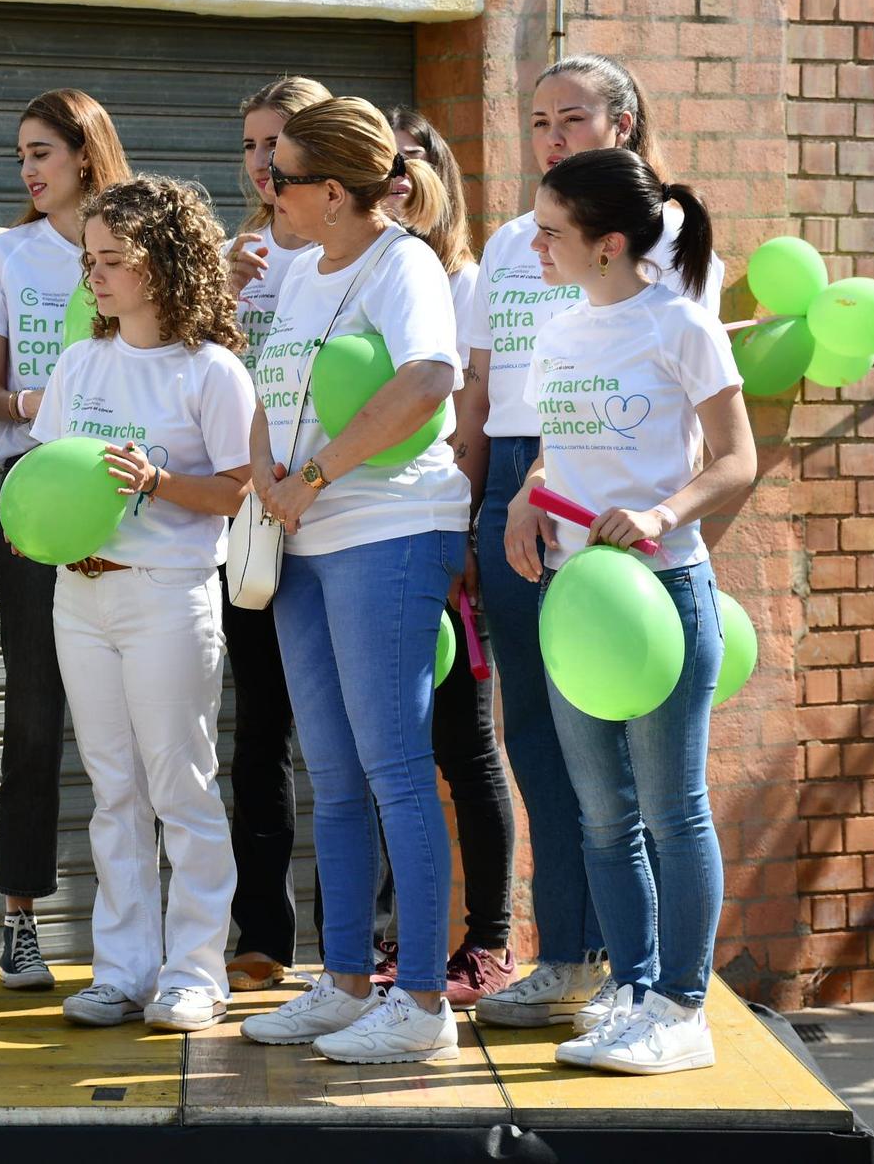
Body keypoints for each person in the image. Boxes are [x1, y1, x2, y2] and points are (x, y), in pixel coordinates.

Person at [456, 52, 724, 1031]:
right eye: (535, 121)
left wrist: (665, 519)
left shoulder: (674, 270)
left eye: (568, 118)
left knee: (658, 791)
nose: (549, 135)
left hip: (641, 543)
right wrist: (510, 493)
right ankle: (594, 970)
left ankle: (663, 993)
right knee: (563, 764)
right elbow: (501, 401)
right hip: (544, 520)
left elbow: (711, 440)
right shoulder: (534, 284)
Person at [506, 148, 754, 1074]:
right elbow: (554, 453)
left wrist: (661, 512)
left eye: (550, 231)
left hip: (660, 594)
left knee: (670, 807)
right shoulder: (562, 331)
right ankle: (633, 988)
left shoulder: (683, 325)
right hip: (577, 600)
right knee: (602, 815)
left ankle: (682, 1007)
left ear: (608, 244)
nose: (534, 244)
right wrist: (532, 492)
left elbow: (735, 458)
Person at [236, 97, 467, 1064]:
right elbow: (269, 384)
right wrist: (265, 479)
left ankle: (422, 1004)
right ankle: (341, 982)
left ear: (333, 191)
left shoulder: (403, 261)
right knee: (331, 775)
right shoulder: (295, 270)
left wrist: (315, 479)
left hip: (389, 529)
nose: (266, 187)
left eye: (281, 175)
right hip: (304, 539)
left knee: (395, 769)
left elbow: (428, 379)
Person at [36, 176, 255, 1033]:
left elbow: (239, 490)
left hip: (168, 595)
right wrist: (45, 534)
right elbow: (45, 480)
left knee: (180, 785)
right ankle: (121, 969)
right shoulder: (79, 361)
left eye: (114, 260)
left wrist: (159, 481)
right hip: (79, 596)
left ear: (163, 264)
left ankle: (197, 971)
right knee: (112, 788)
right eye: (91, 260)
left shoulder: (212, 371)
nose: (96, 275)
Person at [0, 89, 132, 989]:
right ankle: (20, 918)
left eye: (42, 152)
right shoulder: (7, 259)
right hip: (32, 496)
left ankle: (135, 930)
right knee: (34, 719)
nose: (27, 170)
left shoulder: (134, 244)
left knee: (134, 727)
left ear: (87, 153)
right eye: (21, 154)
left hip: (131, 502)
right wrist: (36, 403)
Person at [371, 105, 518, 1008]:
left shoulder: (466, 280)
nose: (397, 177)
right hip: (376, 535)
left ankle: (492, 941)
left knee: (468, 744)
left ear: (442, 174)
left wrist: (464, 529)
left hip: (449, 537)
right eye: (381, 164)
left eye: (412, 159)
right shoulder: (365, 274)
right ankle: (401, 942)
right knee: (396, 746)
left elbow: (470, 415)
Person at [219, 74, 330, 991]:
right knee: (258, 733)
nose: (263, 160)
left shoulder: (356, 253)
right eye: (253, 144)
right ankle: (263, 932)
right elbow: (188, 371)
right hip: (252, 525)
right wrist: (217, 292)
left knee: (355, 736)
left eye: (280, 142)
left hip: (338, 518)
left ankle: (370, 940)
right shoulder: (238, 255)